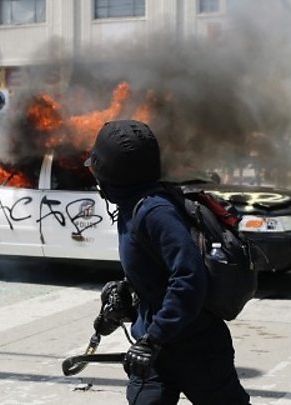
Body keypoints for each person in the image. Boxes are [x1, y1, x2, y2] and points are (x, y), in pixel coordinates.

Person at [85, 120, 250, 404]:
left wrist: (154, 338)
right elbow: (156, 271)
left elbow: (189, 277)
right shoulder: (130, 205)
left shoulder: (154, 211)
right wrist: (127, 292)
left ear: (109, 174)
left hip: (195, 348)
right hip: (155, 352)